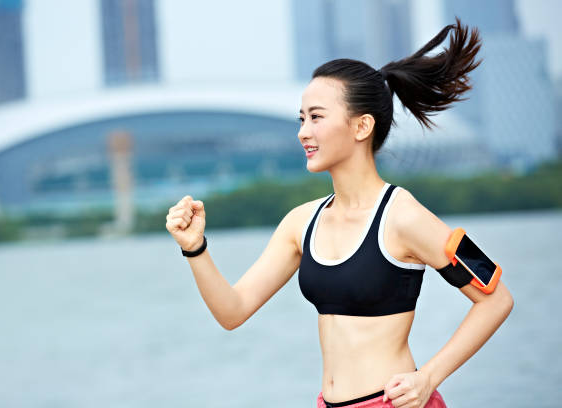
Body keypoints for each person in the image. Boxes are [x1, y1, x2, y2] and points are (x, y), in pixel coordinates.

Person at [165, 17, 513, 408]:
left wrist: (428, 376)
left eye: (316, 117)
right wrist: (195, 248)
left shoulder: (403, 216)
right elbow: (233, 311)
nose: (302, 132)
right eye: (301, 119)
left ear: (362, 126)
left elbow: (496, 299)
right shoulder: (301, 223)